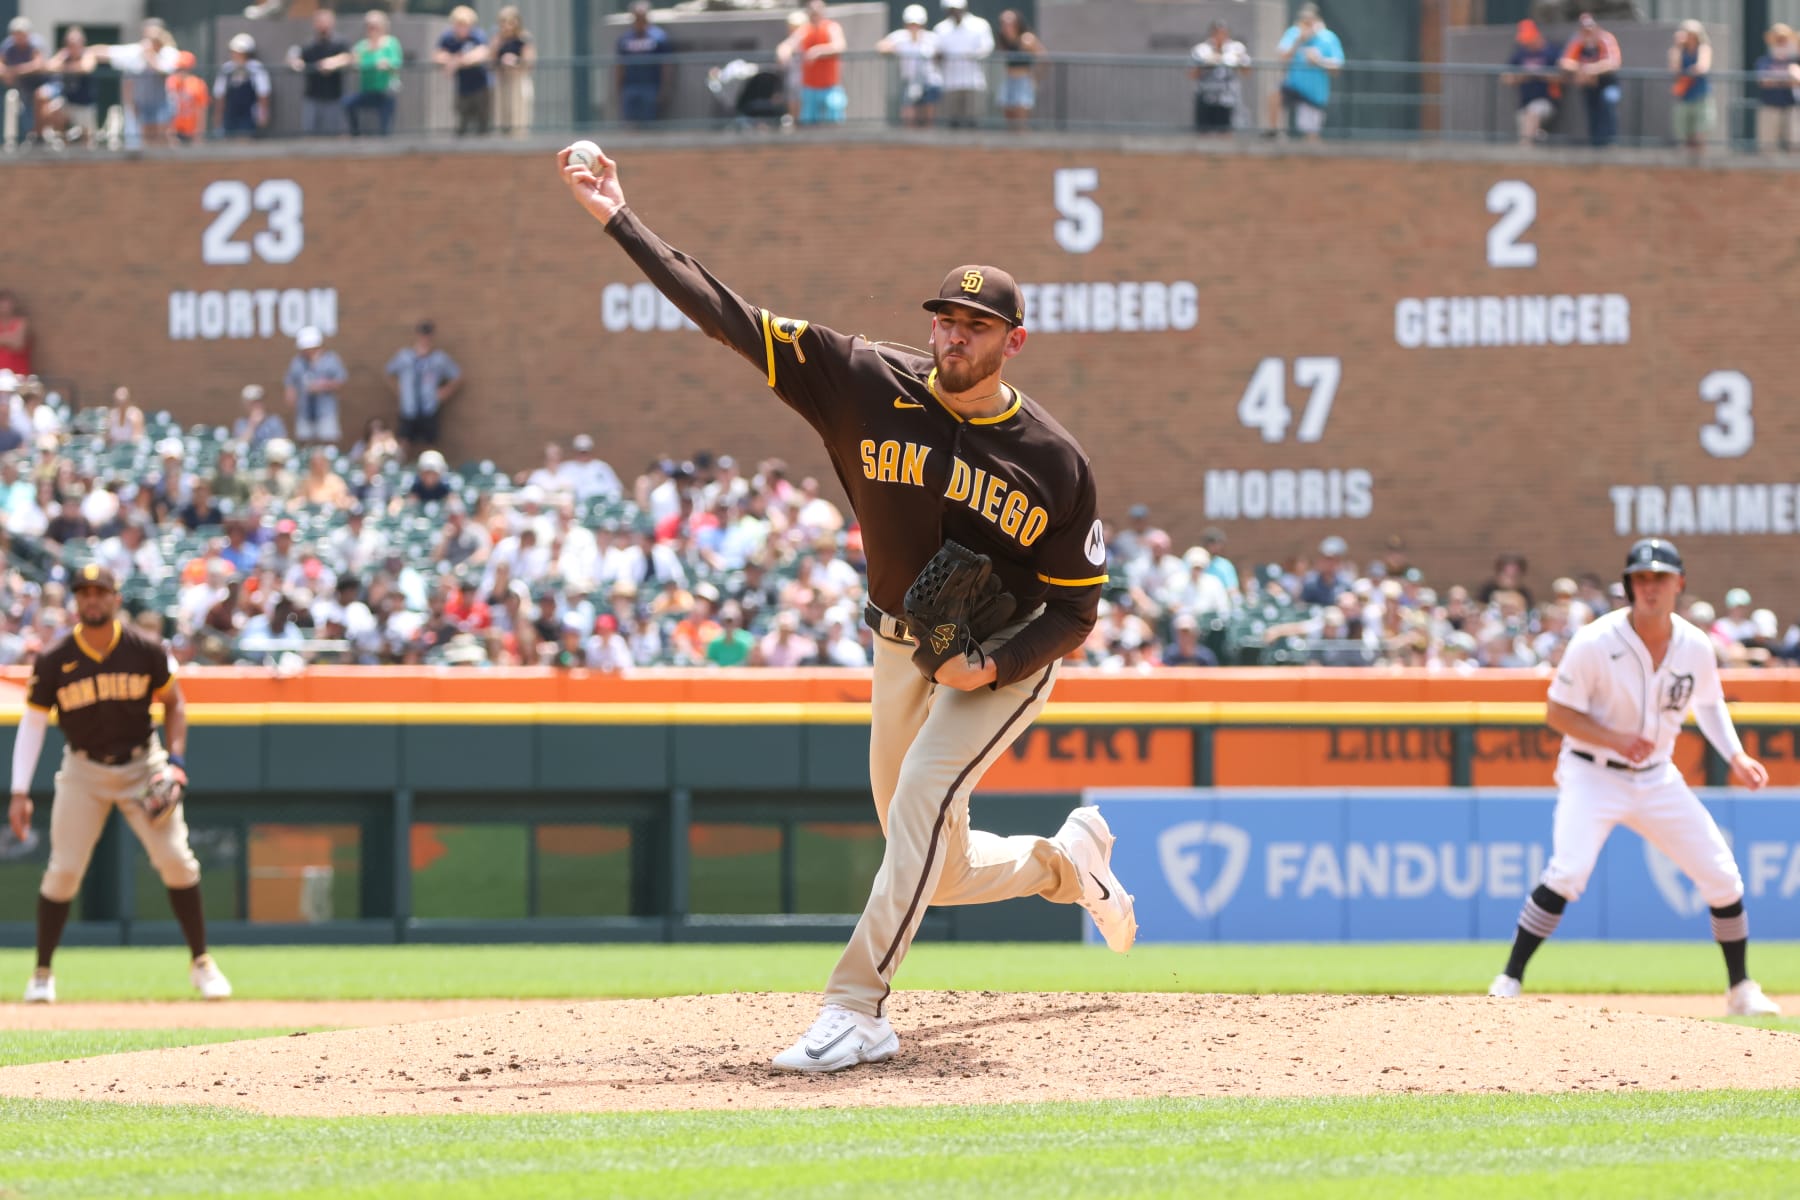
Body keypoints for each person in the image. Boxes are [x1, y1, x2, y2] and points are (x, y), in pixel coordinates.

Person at [558, 140, 1136, 1074]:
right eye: (946, 320)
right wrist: (618, 217)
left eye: (976, 326)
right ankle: (1067, 864)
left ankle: (856, 1005)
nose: (955, 337)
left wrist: (987, 666)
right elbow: (727, 317)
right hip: (898, 646)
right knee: (934, 867)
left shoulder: (1053, 461)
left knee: (918, 800)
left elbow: (1076, 610)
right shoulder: (862, 379)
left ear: (1012, 342)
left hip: (1002, 657)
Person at [1487, 539, 1780, 1018]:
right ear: (1628, 586)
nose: (1650, 586)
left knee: (1723, 877)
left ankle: (1741, 989)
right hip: (1592, 773)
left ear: (1678, 584)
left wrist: (1736, 754)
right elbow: (1557, 713)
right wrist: (1614, 738)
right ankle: (1509, 979)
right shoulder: (1595, 641)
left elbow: (1708, 702)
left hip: (1657, 777)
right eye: (1640, 578)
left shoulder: (1695, 644)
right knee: (1568, 872)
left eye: (1659, 577)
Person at [10, 565, 232, 1004]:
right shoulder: (56, 659)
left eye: (100, 591)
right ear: (76, 600)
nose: (92, 598)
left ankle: (202, 962)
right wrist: (19, 790)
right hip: (83, 769)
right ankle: (42, 972)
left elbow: (175, 704)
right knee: (63, 871)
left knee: (177, 862)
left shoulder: (144, 648)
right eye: (84, 592)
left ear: (115, 598)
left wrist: (177, 763)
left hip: (141, 765)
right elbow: (33, 724)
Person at [384, 320, 462, 454]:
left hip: (429, 406)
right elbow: (388, 373)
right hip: (408, 406)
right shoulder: (404, 356)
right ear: (417, 335)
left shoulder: (439, 358)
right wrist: (399, 390)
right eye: (422, 334)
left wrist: (445, 391)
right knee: (404, 440)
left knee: (430, 442)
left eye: (428, 334)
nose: (425, 338)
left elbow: (457, 376)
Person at [1274, 4, 1342, 142]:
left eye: (1310, 20)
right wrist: (1298, 41)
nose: (1307, 23)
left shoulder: (1328, 37)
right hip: (1294, 86)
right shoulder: (1294, 33)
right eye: (1304, 20)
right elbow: (1282, 57)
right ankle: (1274, 133)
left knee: (1311, 134)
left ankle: (1313, 159)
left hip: (1314, 93)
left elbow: (1337, 68)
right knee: (1274, 95)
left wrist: (1319, 60)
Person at [1559, 12, 1622, 148]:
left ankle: (1610, 142)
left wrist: (1592, 69)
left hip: (1607, 82)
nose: (1588, 32)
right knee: (1592, 112)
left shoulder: (1605, 39)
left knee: (1608, 103)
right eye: (1585, 30)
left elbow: (1613, 63)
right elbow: (1565, 62)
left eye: (1590, 28)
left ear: (1596, 27)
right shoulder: (1578, 41)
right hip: (1589, 84)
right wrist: (1583, 69)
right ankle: (1596, 144)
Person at [287, 7, 352, 138]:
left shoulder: (340, 42)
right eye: (319, 21)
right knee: (310, 136)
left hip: (334, 98)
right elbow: (294, 57)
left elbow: (350, 57)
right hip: (312, 98)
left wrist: (333, 63)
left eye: (325, 21)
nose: (322, 24)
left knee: (335, 137)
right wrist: (295, 62)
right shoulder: (309, 45)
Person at [782, 0, 846, 127]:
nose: (814, 14)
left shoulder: (831, 27)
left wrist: (819, 50)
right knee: (808, 123)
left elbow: (840, 45)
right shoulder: (804, 30)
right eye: (812, 12)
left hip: (830, 86)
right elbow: (788, 44)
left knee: (833, 117)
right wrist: (784, 52)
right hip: (810, 87)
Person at [876, 6, 940, 129]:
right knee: (908, 111)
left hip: (928, 81)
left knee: (927, 112)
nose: (914, 27)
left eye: (917, 24)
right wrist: (893, 49)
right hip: (909, 80)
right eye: (911, 24)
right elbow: (881, 46)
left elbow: (941, 53)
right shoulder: (900, 37)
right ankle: (909, 138)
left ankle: (928, 138)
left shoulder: (931, 38)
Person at [283, 326, 346, 444]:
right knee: (305, 442)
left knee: (328, 441)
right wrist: (290, 394)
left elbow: (340, 381)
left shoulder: (331, 360)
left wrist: (324, 385)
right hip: (304, 410)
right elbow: (290, 381)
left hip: (325, 410)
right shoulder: (298, 361)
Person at [435, 6, 492, 137]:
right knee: (462, 123)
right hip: (462, 87)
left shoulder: (477, 35)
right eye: (458, 24)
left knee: (482, 123)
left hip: (481, 86)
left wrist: (457, 62)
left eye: (465, 24)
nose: (461, 27)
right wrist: (455, 60)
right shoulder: (448, 37)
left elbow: (483, 53)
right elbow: (438, 55)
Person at [345, 10, 403, 137]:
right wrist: (373, 64)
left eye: (375, 26)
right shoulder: (362, 45)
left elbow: (396, 62)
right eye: (369, 26)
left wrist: (387, 64)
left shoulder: (391, 42)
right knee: (348, 103)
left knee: (385, 127)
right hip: (367, 91)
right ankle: (355, 134)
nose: (372, 29)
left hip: (385, 92)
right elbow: (356, 63)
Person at [1501, 19, 1560, 144]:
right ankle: (1538, 140)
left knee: (1532, 113)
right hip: (1524, 103)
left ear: (1536, 36)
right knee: (1526, 126)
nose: (1526, 43)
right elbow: (1505, 77)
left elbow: (1562, 77)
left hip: (1547, 101)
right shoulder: (1521, 53)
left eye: (1528, 39)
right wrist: (1521, 76)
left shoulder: (1551, 51)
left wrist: (1540, 73)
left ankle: (1524, 152)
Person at [1189, 20, 1249, 135]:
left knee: (1225, 132)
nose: (1220, 36)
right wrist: (1206, 63)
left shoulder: (1236, 48)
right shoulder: (1202, 49)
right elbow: (1192, 74)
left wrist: (1238, 60)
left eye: (1223, 33)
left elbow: (1247, 71)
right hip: (1205, 95)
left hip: (1227, 98)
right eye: (1217, 33)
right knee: (1203, 132)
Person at [616, 1, 670, 126]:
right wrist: (619, 88)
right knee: (629, 122)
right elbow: (619, 66)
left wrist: (665, 88)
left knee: (649, 122)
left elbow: (666, 65)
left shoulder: (659, 37)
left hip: (651, 86)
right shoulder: (625, 39)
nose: (639, 21)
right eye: (637, 18)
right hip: (630, 86)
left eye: (642, 17)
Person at [213, 32, 270, 139]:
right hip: (230, 112)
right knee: (229, 140)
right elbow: (220, 95)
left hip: (248, 113)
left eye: (240, 52)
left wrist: (263, 114)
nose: (236, 55)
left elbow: (263, 93)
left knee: (245, 139)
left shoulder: (256, 68)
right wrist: (218, 117)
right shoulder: (227, 69)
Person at [993, 10, 1044, 131]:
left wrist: (1035, 78)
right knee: (1009, 117)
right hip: (1009, 80)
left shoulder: (1027, 39)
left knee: (1021, 119)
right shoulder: (1004, 41)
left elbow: (1043, 59)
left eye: (1009, 23)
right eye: (1003, 23)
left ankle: (1024, 144)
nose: (1006, 27)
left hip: (1023, 81)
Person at [1754, 24, 1800, 154]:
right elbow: (1764, 81)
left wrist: (1778, 79)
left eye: (1784, 38)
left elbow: (1797, 80)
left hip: (1790, 106)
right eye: (1778, 39)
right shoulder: (1764, 61)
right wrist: (1787, 79)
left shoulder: (1794, 61)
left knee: (1795, 147)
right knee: (1768, 148)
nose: (1781, 42)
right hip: (1770, 106)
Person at [1668, 20, 1712, 153]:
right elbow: (1674, 69)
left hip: (1700, 94)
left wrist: (1688, 72)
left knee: (1700, 130)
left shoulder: (1703, 48)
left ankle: (1700, 161)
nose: (1690, 37)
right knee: (1683, 130)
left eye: (1692, 34)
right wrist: (1677, 47)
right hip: (1684, 95)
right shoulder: (1677, 50)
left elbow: (1702, 67)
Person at [493, 6, 537, 137]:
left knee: (519, 117)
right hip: (502, 80)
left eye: (511, 21)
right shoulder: (498, 39)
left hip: (518, 80)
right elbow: (491, 58)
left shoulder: (524, 38)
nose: (507, 26)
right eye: (503, 22)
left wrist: (515, 61)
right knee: (502, 117)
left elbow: (530, 61)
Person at [0, 291, 29, 377]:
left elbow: (18, 344)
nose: (5, 307)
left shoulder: (21, 322)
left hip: (18, 376)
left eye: (7, 303)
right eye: (2, 303)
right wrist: (10, 338)